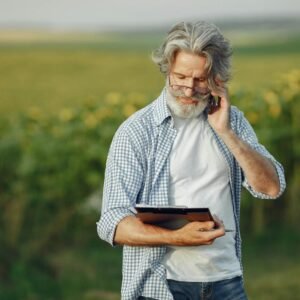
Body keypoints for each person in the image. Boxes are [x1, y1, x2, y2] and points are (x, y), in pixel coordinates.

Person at [97, 21, 286, 300]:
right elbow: (112, 222)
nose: (188, 89)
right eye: (181, 77)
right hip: (160, 286)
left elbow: (271, 188)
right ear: (167, 70)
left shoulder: (233, 122)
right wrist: (177, 237)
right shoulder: (136, 132)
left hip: (226, 282)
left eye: (200, 80)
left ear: (217, 79)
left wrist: (226, 132)